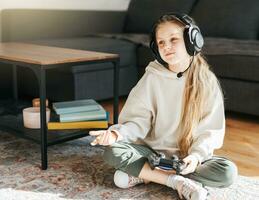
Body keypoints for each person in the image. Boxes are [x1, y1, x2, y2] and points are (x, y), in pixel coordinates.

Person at [89, 13, 238, 200]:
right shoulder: (152, 78)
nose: (166, 46)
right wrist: (116, 134)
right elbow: (138, 121)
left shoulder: (206, 81)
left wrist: (196, 157)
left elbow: (210, 131)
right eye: (161, 42)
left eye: (173, 39)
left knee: (227, 172)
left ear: (193, 40)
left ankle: (147, 175)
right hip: (151, 153)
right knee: (113, 151)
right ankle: (175, 182)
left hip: (186, 158)